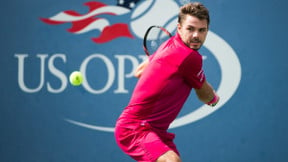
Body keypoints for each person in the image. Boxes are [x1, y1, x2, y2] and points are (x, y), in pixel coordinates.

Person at [115, 2, 219, 162]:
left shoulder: (168, 45)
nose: (196, 35)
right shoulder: (190, 57)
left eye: (201, 30)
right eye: (190, 29)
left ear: (207, 31)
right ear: (179, 28)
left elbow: (139, 72)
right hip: (136, 129)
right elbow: (205, 95)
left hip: (156, 131)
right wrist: (214, 100)